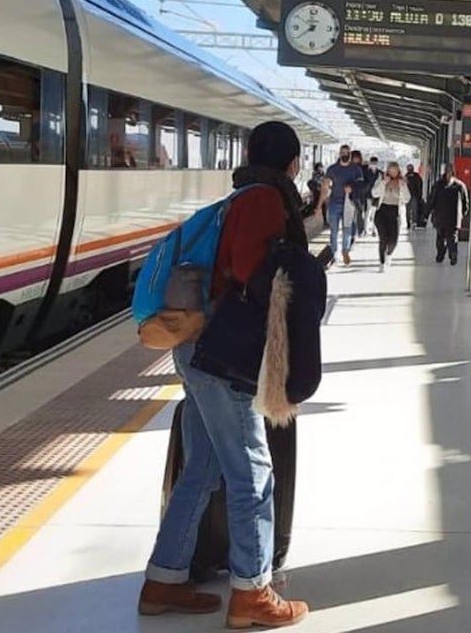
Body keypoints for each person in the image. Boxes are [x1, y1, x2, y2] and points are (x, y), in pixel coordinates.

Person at [138, 120, 309, 628]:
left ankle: (163, 581)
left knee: (203, 468)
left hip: (197, 349)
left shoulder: (239, 197)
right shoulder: (262, 201)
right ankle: (252, 593)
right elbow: (249, 275)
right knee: (252, 473)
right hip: (222, 354)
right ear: (293, 163)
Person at [324, 146, 364, 265]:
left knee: (347, 228)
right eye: (343, 152)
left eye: (347, 153)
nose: (345, 154)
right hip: (334, 202)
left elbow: (361, 185)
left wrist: (352, 188)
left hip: (349, 203)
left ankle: (345, 251)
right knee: (334, 230)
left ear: (350, 154)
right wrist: (321, 202)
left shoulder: (356, 169)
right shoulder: (332, 169)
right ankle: (333, 253)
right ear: (339, 154)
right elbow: (326, 185)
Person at [371, 162, 410, 271]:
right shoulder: (382, 180)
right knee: (383, 239)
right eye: (391, 170)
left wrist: (402, 186)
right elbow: (374, 193)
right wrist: (384, 182)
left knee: (393, 240)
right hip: (382, 212)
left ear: (398, 171)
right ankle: (381, 262)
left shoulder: (401, 182)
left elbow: (407, 198)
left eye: (395, 170)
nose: (393, 172)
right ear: (387, 170)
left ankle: (389, 254)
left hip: (394, 213)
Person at [427, 168, 469, 266]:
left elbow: (432, 200)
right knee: (451, 237)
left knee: (442, 237)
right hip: (452, 217)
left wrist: (427, 213)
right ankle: (451, 254)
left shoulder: (439, 185)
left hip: (441, 216)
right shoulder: (460, 185)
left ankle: (443, 255)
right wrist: (463, 213)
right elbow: (465, 202)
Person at [404, 164, 424, 232]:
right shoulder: (406, 177)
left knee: (414, 209)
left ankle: (414, 223)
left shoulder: (416, 176)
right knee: (408, 210)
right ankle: (409, 223)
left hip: (414, 195)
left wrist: (419, 195)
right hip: (408, 196)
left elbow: (420, 186)